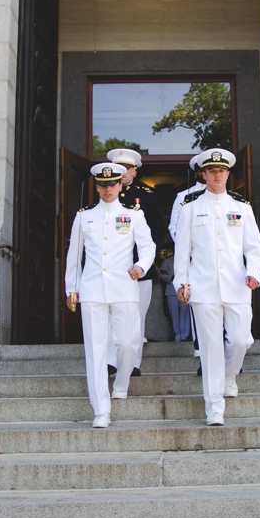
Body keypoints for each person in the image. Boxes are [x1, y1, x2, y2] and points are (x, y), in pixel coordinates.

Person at [173, 148, 260, 426]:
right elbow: (181, 250)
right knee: (211, 347)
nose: (218, 176)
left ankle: (229, 376)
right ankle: (214, 406)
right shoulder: (190, 208)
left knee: (240, 340)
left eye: (222, 171)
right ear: (204, 174)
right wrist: (181, 281)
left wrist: (254, 272)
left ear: (227, 174)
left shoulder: (241, 207)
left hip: (237, 286)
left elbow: (254, 247)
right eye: (212, 171)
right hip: (203, 288)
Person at [64, 162, 155, 428]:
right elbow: (74, 257)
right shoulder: (84, 217)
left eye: (112, 184)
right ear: (96, 187)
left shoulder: (134, 215)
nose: (108, 189)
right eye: (103, 185)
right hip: (92, 290)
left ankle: (122, 381)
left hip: (125, 287)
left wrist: (141, 265)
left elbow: (148, 246)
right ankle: (100, 409)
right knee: (95, 351)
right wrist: (73, 288)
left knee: (128, 343)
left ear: (120, 185)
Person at [105, 148, 167, 377]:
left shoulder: (146, 195)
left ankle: (132, 363)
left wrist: (148, 260)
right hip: (111, 268)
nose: (121, 174)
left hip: (139, 268)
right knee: (111, 314)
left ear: (134, 171)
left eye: (126, 169)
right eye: (117, 169)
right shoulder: (105, 195)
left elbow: (157, 231)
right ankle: (111, 360)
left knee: (136, 317)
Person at [169, 154, 207, 363]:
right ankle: (199, 345)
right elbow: (174, 227)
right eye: (204, 170)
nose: (207, 174)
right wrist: (188, 247)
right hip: (194, 258)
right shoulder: (184, 196)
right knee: (196, 300)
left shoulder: (227, 196)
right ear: (197, 173)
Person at [156, 252, 191, 341]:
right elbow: (162, 275)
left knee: (185, 312)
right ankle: (177, 334)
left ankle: (185, 334)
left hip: (185, 289)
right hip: (171, 290)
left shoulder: (188, 260)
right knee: (174, 313)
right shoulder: (167, 261)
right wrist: (171, 278)